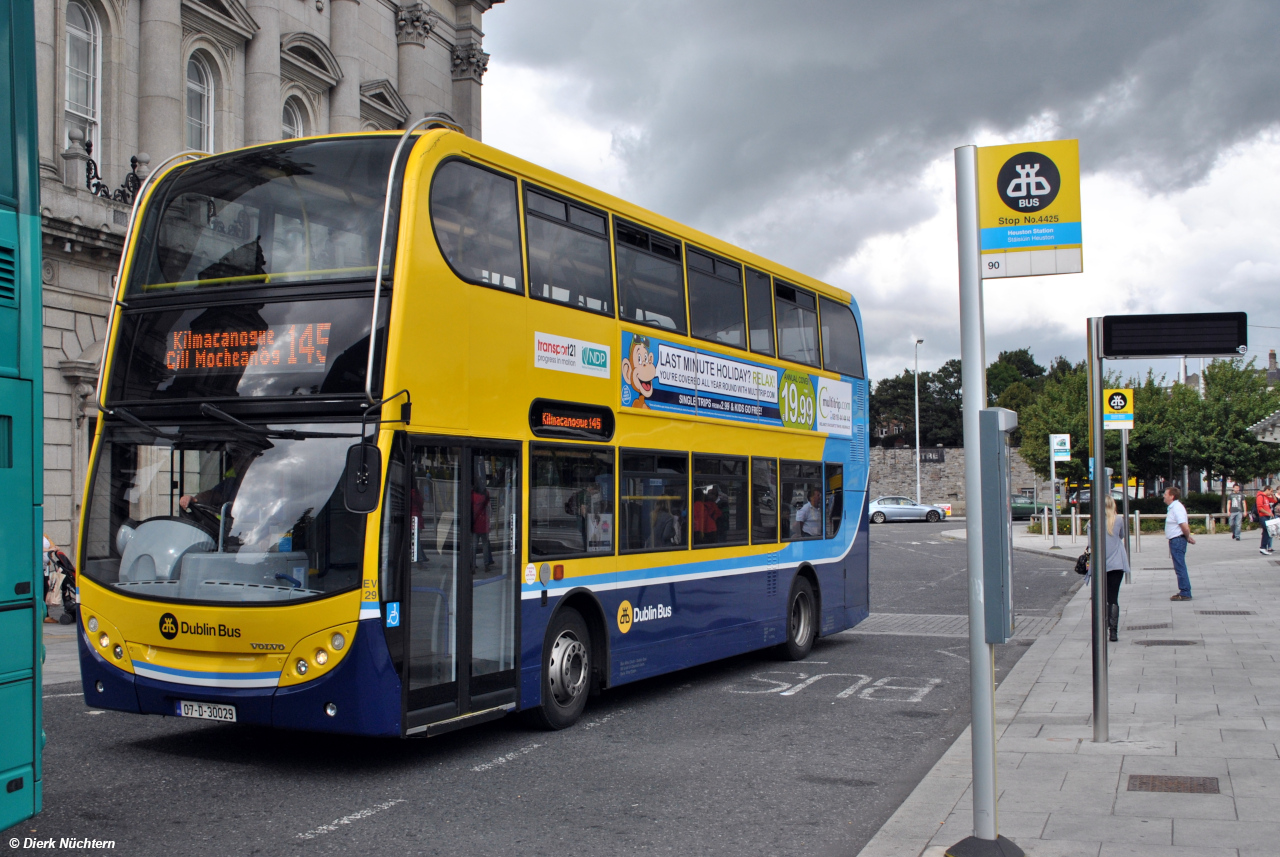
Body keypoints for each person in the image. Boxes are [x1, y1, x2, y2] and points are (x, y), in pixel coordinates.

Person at [1097, 495, 1131, 642]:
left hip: (1100, 565)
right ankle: (1113, 631)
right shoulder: (1118, 520)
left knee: (1101, 597)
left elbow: (1091, 545)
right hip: (1117, 564)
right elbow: (1121, 535)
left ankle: (1101, 627)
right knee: (1113, 597)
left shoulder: (1094, 522)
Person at [1164, 486, 1195, 601]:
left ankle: (1185, 591)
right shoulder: (1173, 507)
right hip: (1176, 539)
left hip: (1178, 540)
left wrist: (1188, 537)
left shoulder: (1177, 508)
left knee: (1180, 566)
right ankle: (1184, 590)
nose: (1164, 496)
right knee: (1179, 566)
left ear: (1172, 496)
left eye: (1165, 494)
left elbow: (1183, 525)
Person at [1256, 484, 1275, 556]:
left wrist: (1272, 495)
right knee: (1267, 530)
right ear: (1267, 490)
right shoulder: (1260, 497)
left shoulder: (1266, 497)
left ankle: (1263, 547)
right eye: (1271, 491)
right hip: (1263, 516)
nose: (1271, 493)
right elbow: (1260, 508)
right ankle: (1263, 547)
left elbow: (1274, 501)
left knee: (1265, 532)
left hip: (1267, 516)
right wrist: (1268, 513)